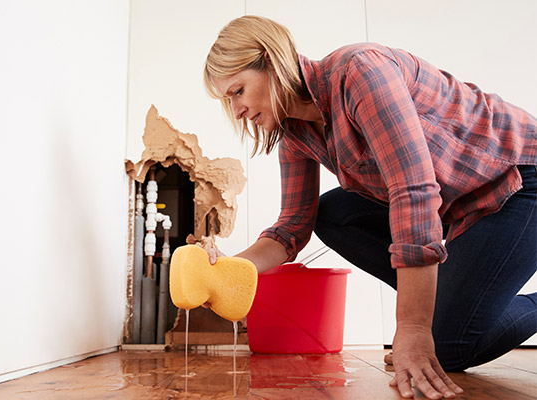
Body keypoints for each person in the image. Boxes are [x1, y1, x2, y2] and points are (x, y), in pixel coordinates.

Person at [202, 15, 537, 399]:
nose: (238, 110)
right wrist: (229, 269)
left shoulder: (359, 71)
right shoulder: (295, 134)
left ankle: (437, 319)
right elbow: (292, 228)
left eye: (238, 91)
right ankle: (440, 308)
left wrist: (411, 328)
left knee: (448, 347)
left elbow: (413, 190)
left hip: (517, 181)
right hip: (457, 206)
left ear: (270, 60)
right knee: (331, 214)